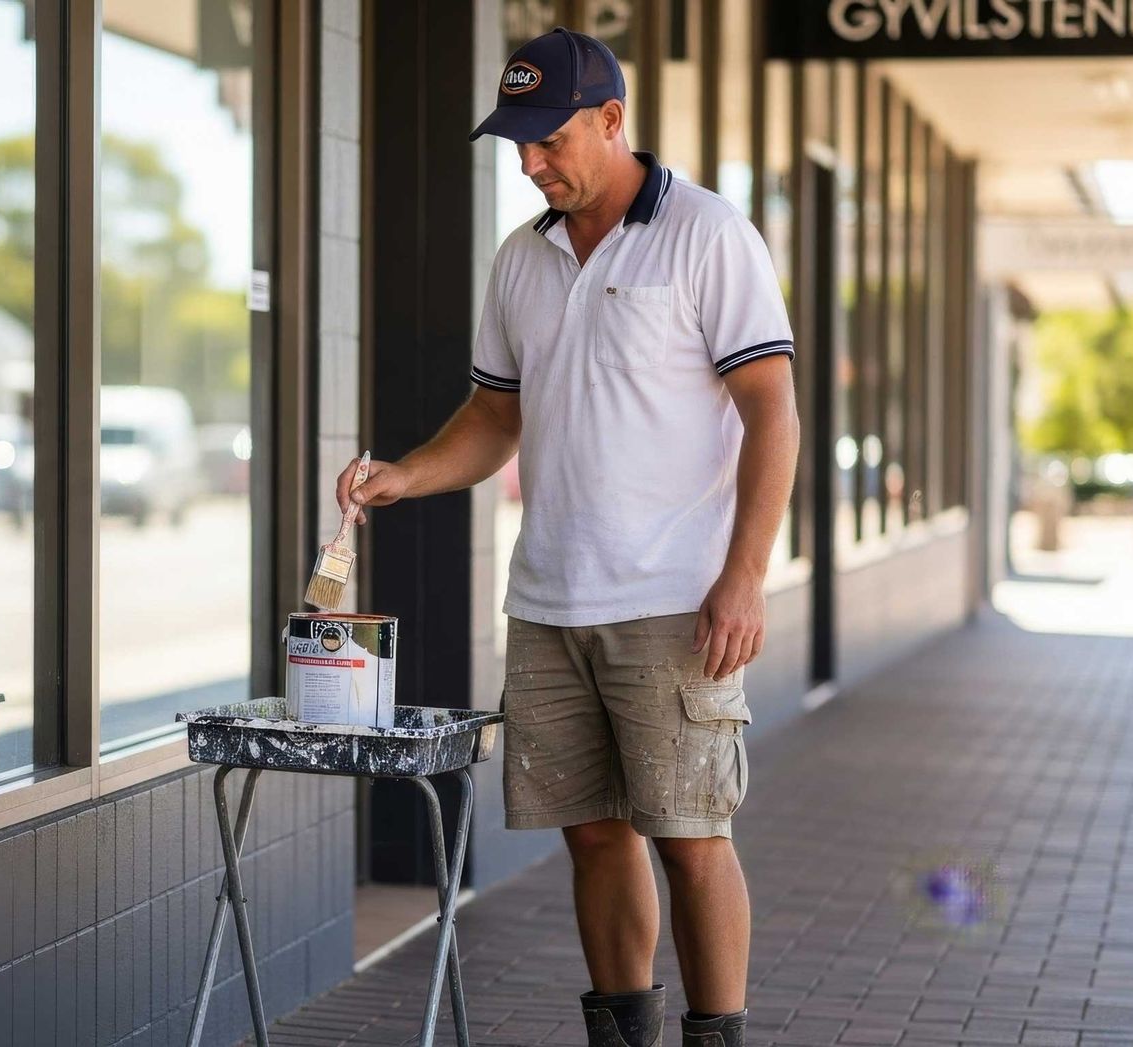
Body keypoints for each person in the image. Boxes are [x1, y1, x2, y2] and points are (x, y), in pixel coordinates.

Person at [338, 28, 799, 1047]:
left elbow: (773, 410)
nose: (532, 163)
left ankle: (717, 1035)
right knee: (592, 836)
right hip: (546, 603)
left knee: (688, 836)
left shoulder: (706, 235)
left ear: (611, 119)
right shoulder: (522, 256)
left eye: (549, 141)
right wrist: (407, 474)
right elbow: (497, 415)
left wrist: (745, 577)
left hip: (676, 603)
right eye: (517, 145)